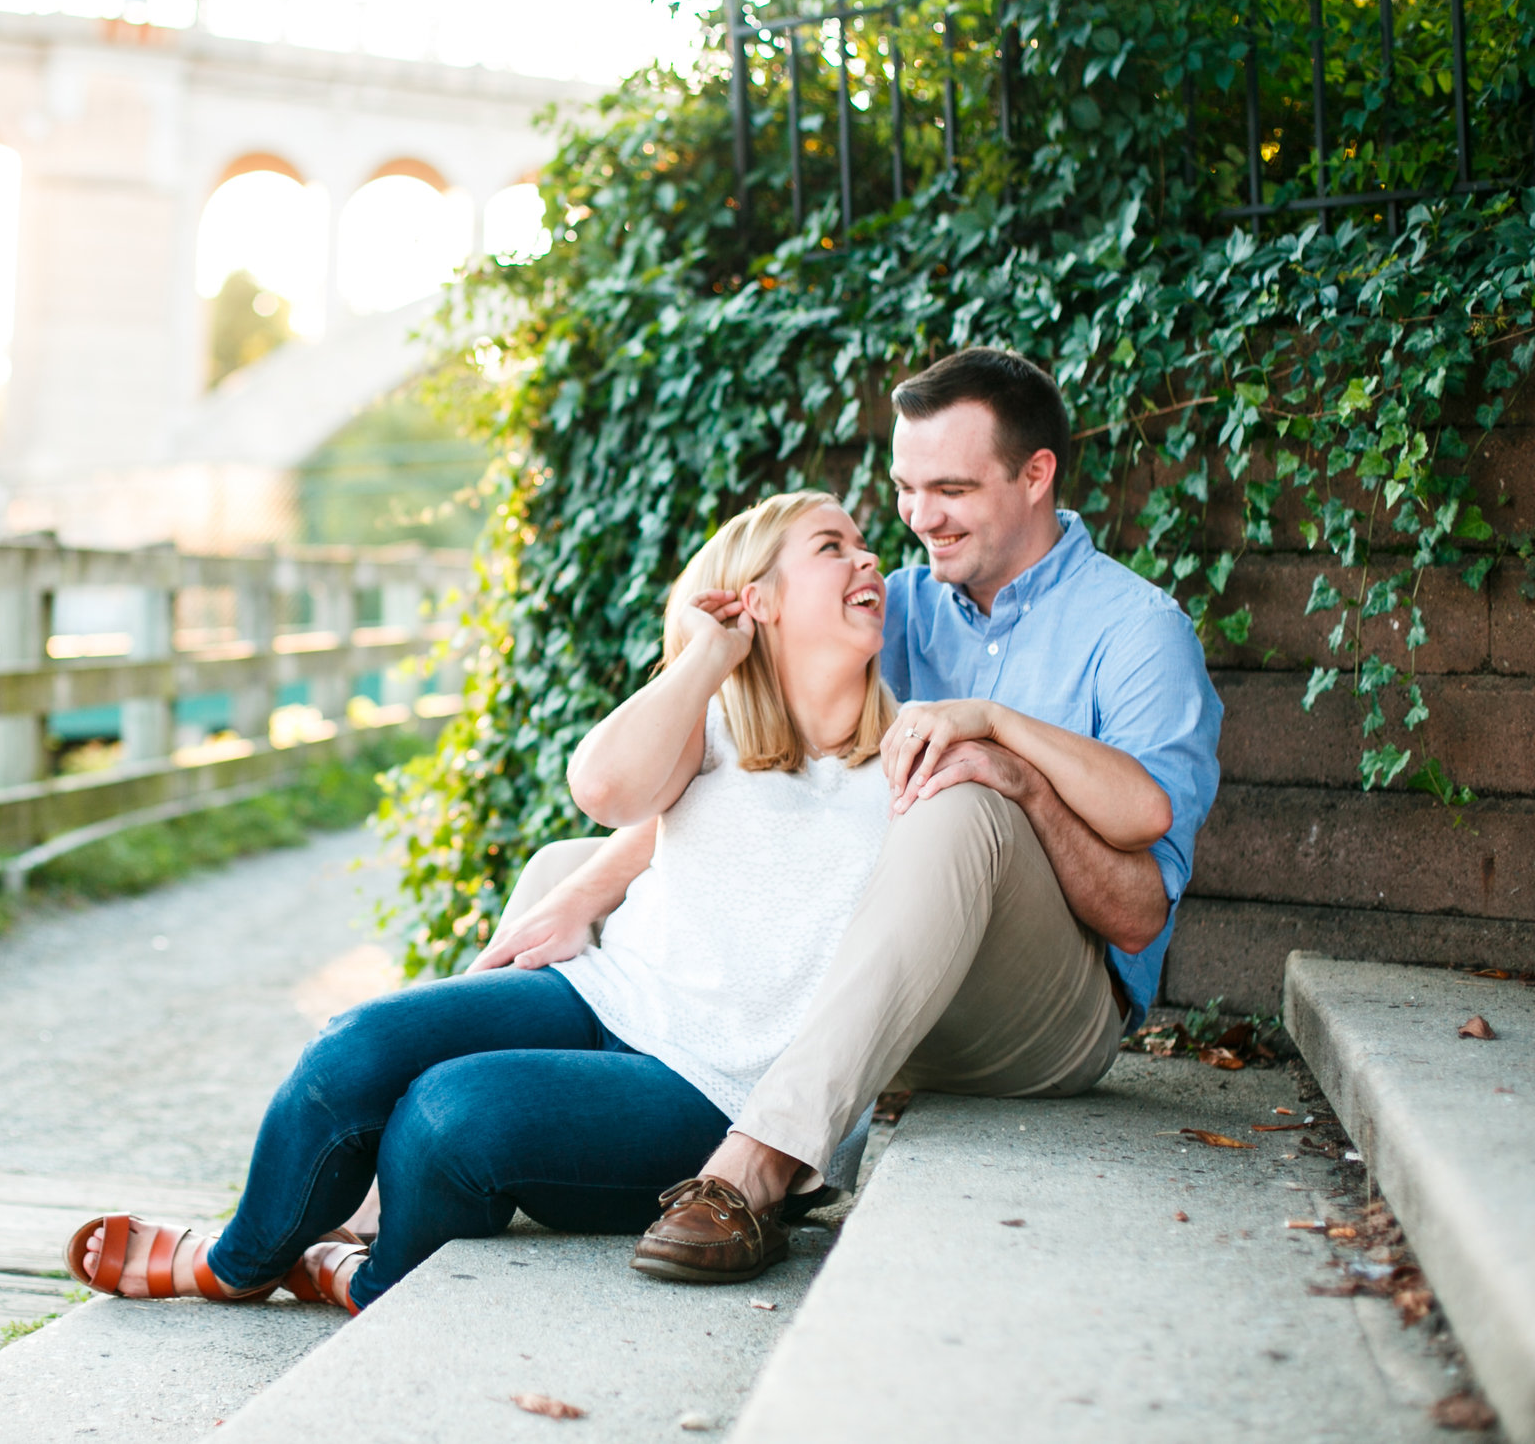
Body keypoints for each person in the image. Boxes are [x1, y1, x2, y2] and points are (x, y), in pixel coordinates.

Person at [65, 485, 1160, 1310]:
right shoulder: (717, 728)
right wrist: (706, 651)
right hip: (608, 998)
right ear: (762, 598)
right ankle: (235, 1260)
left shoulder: (916, 762)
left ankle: (365, 1277)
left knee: (445, 1120)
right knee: (349, 1051)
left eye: (862, 543)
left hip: (715, 1084)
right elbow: (602, 788)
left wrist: (1000, 732)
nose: (871, 556)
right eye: (832, 545)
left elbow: (1141, 812)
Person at [484, 345, 1225, 1282]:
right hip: (869, 982)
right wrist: (589, 885)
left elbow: (1137, 911)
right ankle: (408, 1158)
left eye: (949, 489)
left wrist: (1020, 774)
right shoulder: (891, 606)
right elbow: (755, 778)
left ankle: (762, 1164)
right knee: (559, 868)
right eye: (906, 489)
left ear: (1037, 475)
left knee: (962, 799)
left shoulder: (1137, 633)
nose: (917, 519)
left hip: (1041, 1012)